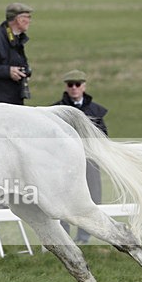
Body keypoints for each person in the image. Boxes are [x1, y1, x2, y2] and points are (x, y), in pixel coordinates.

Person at [53, 70, 108, 244]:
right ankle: (64, 237)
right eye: (70, 84)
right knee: (63, 197)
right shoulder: (57, 109)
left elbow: (103, 136)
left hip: (89, 160)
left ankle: (84, 237)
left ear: (84, 86)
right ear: (66, 87)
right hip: (64, 163)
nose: (74, 88)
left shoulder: (95, 110)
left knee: (90, 196)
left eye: (78, 84)